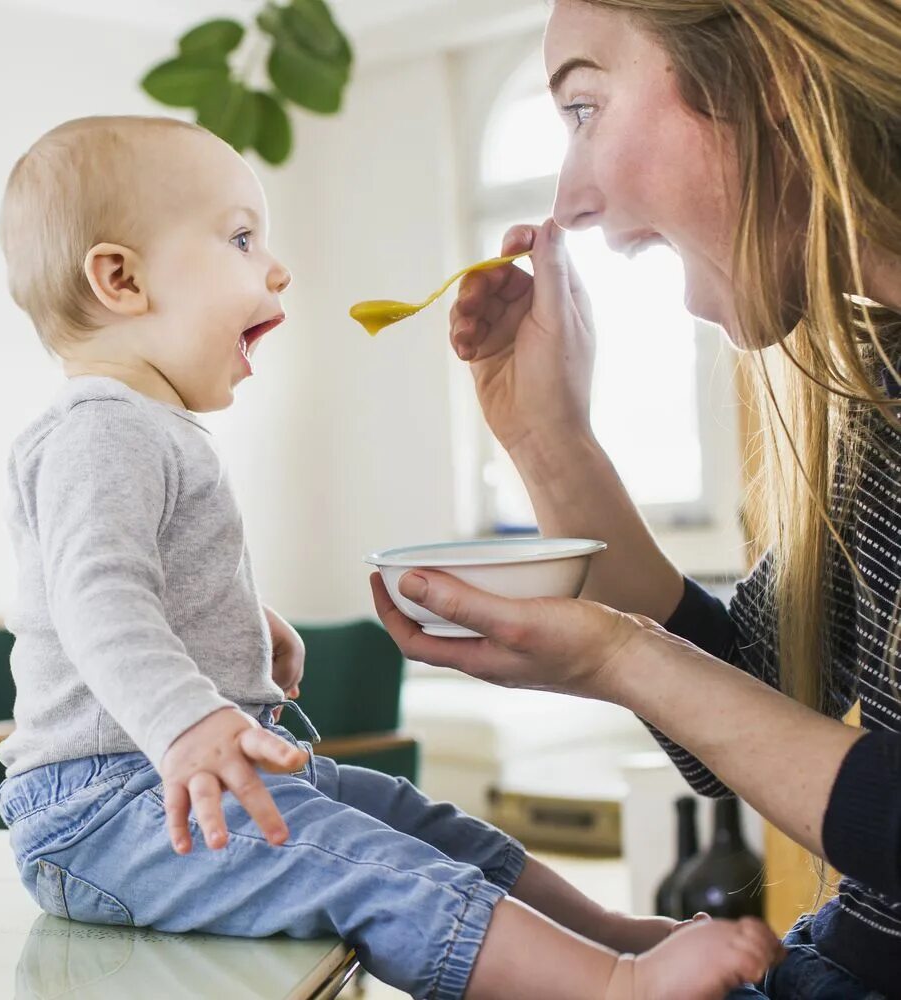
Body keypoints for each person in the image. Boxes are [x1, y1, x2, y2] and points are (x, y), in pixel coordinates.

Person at [0, 113, 780, 999]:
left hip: (159, 781)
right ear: (121, 279)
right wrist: (189, 722)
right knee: (361, 864)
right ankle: (610, 986)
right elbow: (95, 599)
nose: (277, 267)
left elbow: (130, 582)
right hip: (107, 809)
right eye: (242, 239)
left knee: (412, 818)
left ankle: (602, 931)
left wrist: (237, 625)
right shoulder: (101, 429)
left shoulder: (143, 430)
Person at [370, 3, 901, 997]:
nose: (569, 198)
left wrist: (623, 656)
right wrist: (550, 440)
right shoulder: (888, 388)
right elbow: (762, 696)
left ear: (770, 74)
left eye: (583, 108)